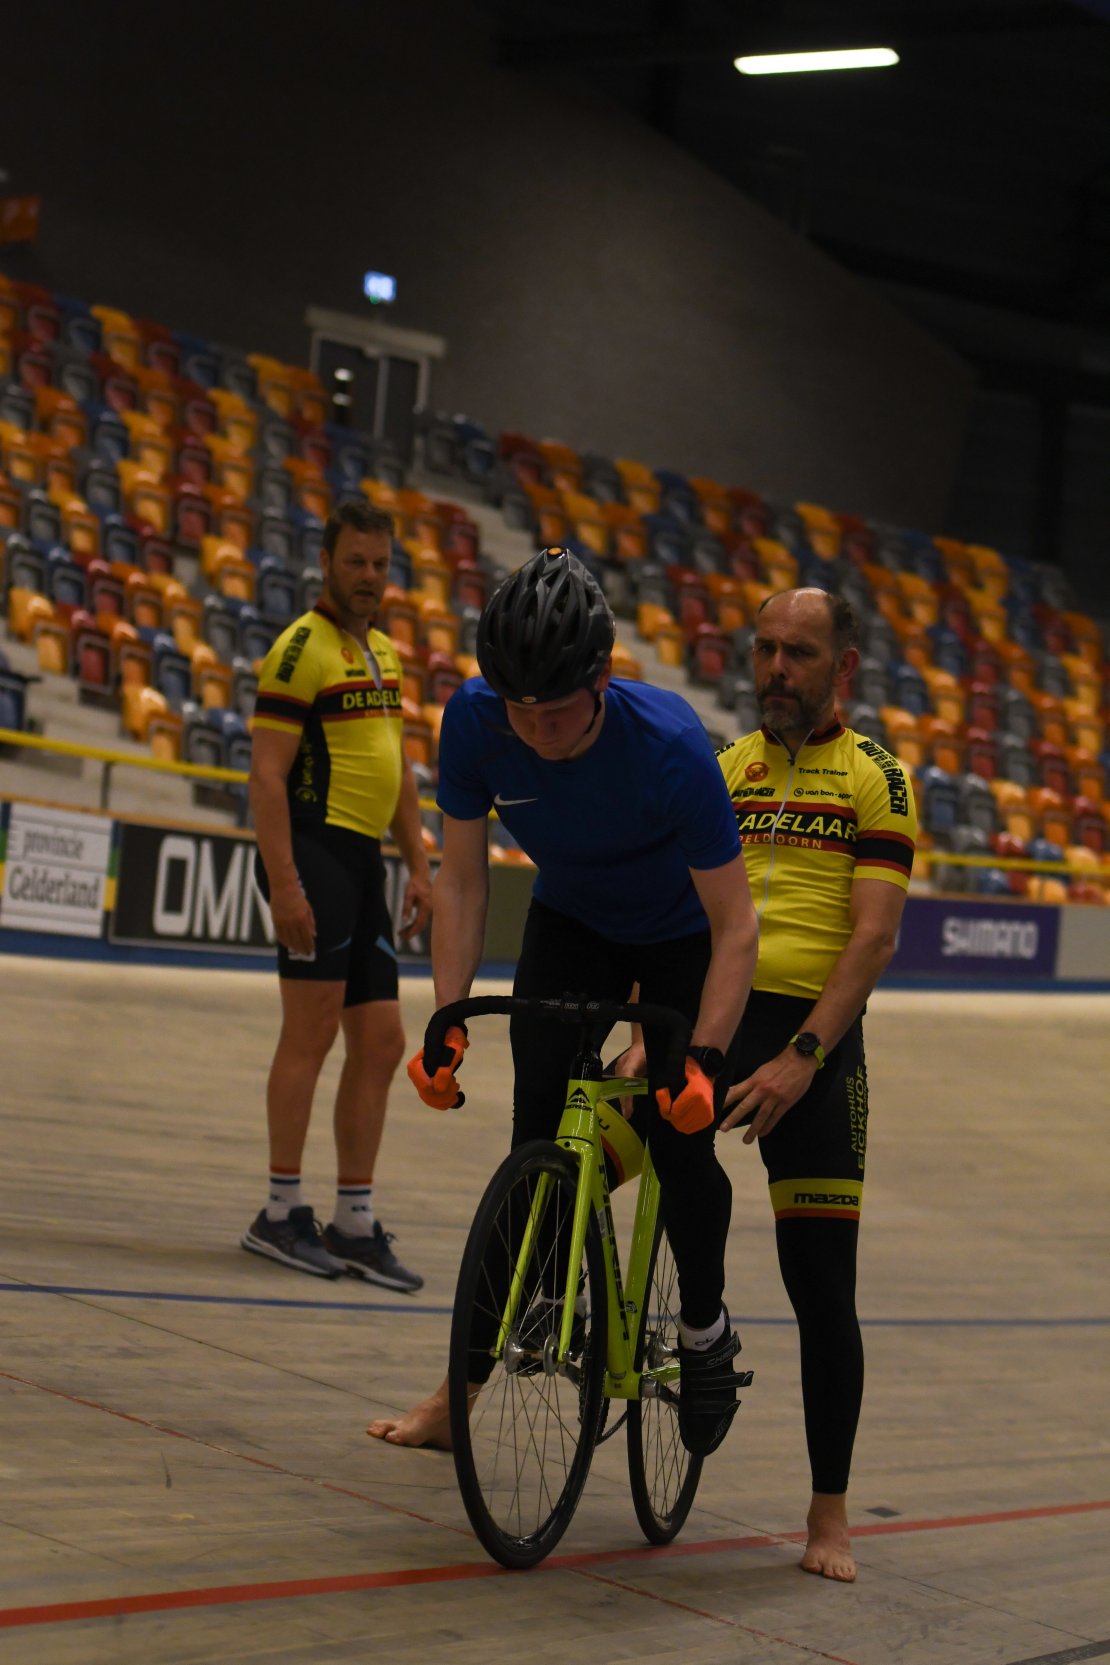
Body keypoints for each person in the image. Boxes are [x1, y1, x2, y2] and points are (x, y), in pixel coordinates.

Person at [367, 547, 760, 1455]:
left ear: (603, 678)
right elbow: (462, 885)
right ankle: (462, 1390)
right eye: (520, 709)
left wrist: (702, 1055)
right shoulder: (472, 722)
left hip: (678, 938)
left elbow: (736, 928)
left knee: (677, 1134)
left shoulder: (671, 747)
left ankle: (702, 1332)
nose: (535, 729)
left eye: (556, 711)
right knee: (534, 1138)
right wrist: (448, 1015)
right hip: (572, 920)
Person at [715, 586, 918, 1581]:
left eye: (797, 653)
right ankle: (461, 1395)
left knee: (821, 1292)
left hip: (817, 1044)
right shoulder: (726, 770)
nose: (775, 671)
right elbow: (681, 914)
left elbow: (873, 938)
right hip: (717, 1020)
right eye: (764, 650)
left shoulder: (877, 777)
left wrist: (802, 1056)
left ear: (840, 665)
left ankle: (829, 1517)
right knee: (569, 1163)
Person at [241, 499, 432, 1291]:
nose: (368, 577)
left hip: (362, 866)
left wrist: (419, 866)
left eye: (380, 563)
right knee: (311, 1035)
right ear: (325, 561)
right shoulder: (300, 651)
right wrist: (284, 882)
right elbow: (264, 776)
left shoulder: (384, 652)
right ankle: (281, 1212)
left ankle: (353, 1221)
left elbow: (396, 769)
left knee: (382, 1042)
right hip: (314, 856)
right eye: (355, 561)